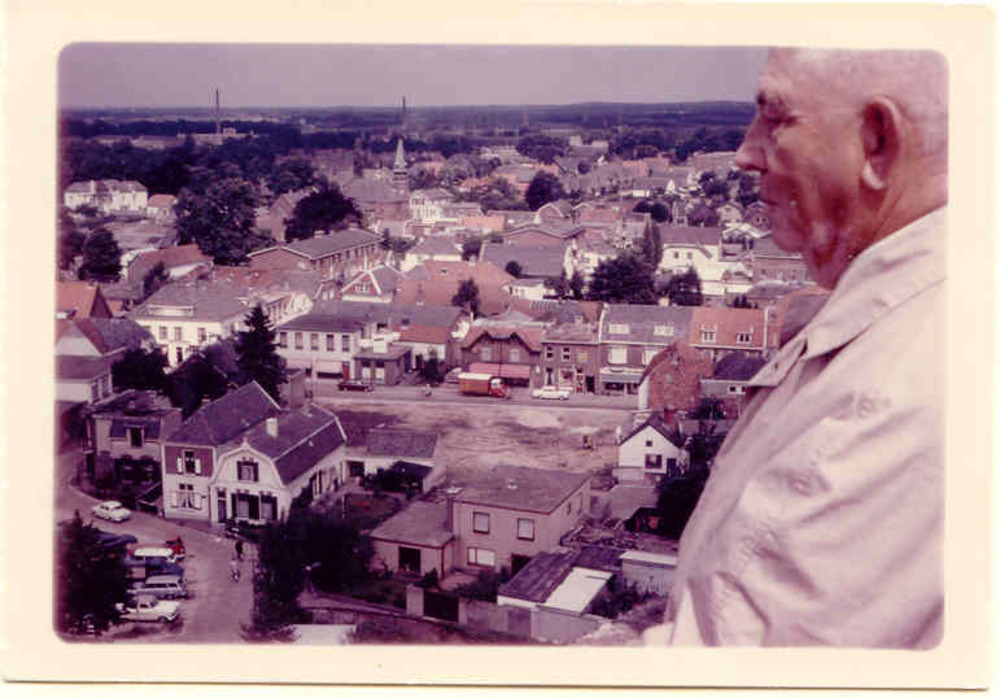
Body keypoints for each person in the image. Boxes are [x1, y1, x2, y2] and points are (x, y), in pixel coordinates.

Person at [648, 48, 947, 648]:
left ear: (877, 143)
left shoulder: (885, 402)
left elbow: (727, 674)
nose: (745, 152)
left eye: (775, 118)